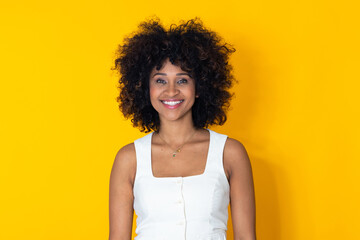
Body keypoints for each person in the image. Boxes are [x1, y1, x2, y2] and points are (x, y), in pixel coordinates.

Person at [109, 18, 256, 240]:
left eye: (182, 81)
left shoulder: (230, 153)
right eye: (160, 81)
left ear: (199, 87)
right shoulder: (129, 159)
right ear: (145, 88)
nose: (171, 91)